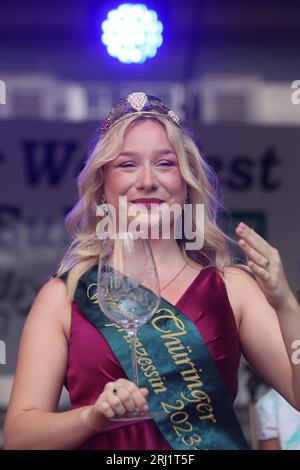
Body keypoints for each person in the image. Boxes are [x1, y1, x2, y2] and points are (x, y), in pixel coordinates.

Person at [3, 92, 300, 450]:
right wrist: (91, 417)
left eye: (165, 163)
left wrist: (286, 305)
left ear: (187, 184)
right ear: (102, 188)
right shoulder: (64, 297)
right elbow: (19, 437)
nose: (147, 181)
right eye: (127, 165)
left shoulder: (231, 286)